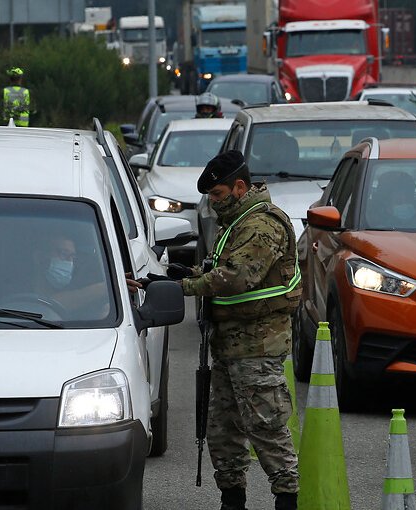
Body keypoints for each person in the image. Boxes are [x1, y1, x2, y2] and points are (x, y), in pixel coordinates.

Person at [136, 150, 300, 510]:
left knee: (266, 428)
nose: (213, 204)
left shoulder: (261, 226)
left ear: (240, 187)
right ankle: (232, 498)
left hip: (257, 346)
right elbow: (219, 271)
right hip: (229, 347)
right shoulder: (238, 222)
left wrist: (182, 288)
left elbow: (237, 278)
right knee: (223, 431)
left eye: (218, 195)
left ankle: (287, 499)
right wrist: (182, 276)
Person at [31, 234, 106, 317]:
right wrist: (107, 287)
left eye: (73, 257)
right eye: (64, 254)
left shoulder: (82, 306)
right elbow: (50, 303)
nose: (69, 262)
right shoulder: (17, 290)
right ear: (39, 257)